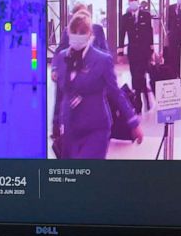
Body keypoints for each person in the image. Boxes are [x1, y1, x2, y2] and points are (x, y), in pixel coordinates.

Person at [51, 11, 144, 159]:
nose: (77, 35)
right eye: (74, 32)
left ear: (90, 34)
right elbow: (60, 94)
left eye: (82, 32)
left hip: (95, 128)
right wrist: (56, 123)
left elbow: (116, 93)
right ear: (68, 33)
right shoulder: (62, 58)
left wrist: (133, 122)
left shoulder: (102, 60)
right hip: (70, 128)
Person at [120, 0, 155, 112]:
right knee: (135, 76)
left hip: (144, 51)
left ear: (138, 1)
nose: (133, 2)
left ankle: (139, 102)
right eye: (131, 0)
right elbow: (121, 34)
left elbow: (150, 33)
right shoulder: (125, 17)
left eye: (135, 0)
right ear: (129, 2)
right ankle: (144, 98)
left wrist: (152, 50)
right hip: (133, 51)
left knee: (140, 75)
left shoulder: (145, 15)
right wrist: (120, 52)